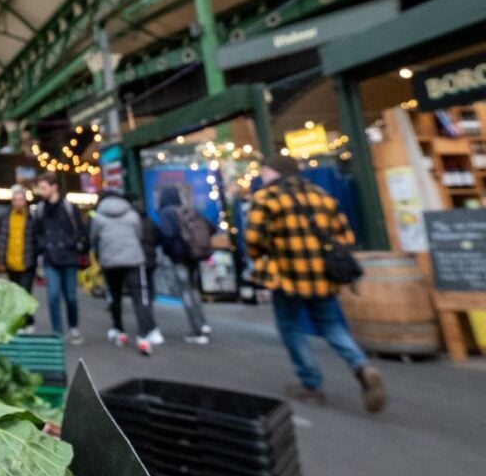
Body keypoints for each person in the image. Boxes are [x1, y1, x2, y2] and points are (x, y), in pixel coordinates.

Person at [245, 156, 387, 413]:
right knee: (330, 324)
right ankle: (361, 365)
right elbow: (345, 236)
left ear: (272, 171)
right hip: (322, 275)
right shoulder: (321, 195)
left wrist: (265, 257)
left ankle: (311, 383)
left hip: (286, 274)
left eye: (264, 170)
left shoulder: (266, 198)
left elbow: (254, 238)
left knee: (291, 327)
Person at [91, 191, 157, 356]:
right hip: (133, 259)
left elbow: (94, 239)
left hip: (110, 261)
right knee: (140, 298)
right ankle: (144, 336)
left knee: (114, 296)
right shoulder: (132, 214)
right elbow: (138, 234)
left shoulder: (98, 216)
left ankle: (119, 330)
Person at [32, 173, 87, 344]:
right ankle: (57, 331)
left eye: (44, 188)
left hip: (69, 258)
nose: (42, 192)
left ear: (54, 186)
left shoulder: (69, 207)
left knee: (70, 296)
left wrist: (70, 243)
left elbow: (80, 230)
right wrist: (43, 246)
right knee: (53, 296)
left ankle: (73, 327)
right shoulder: (40, 209)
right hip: (50, 259)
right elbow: (37, 233)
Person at [156, 187, 213, 345]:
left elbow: (167, 234)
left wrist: (169, 250)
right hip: (194, 254)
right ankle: (203, 323)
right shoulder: (190, 210)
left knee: (186, 291)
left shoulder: (167, 213)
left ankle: (197, 330)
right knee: (194, 290)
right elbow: (211, 227)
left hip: (179, 256)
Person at [0, 185, 36, 332]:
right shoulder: (5, 217)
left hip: (27, 262)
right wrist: (1, 258)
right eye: (15, 200)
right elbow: (1, 237)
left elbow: (35, 238)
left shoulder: (32, 217)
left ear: (25, 201)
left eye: (20, 199)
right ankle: (21, 322)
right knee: (15, 294)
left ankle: (28, 322)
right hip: (11, 261)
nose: (18, 202)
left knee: (25, 293)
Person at [133, 198, 165, 346]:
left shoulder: (134, 224)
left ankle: (148, 326)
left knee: (141, 294)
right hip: (151, 259)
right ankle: (149, 316)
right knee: (148, 291)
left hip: (139, 261)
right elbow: (160, 237)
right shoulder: (150, 222)